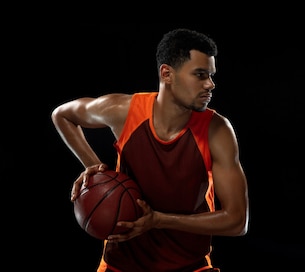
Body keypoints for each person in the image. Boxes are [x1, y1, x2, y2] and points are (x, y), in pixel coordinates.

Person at [51, 28, 249, 272]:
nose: (210, 84)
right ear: (167, 74)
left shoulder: (217, 130)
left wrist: (159, 220)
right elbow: (62, 115)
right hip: (120, 264)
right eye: (200, 75)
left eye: (211, 75)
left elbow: (237, 221)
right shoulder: (124, 111)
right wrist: (94, 166)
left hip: (190, 265)